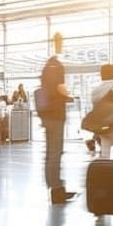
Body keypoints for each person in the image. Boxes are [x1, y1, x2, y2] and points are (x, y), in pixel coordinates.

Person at [39, 33, 76, 204]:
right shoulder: (57, 66)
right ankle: (56, 190)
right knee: (56, 151)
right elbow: (61, 87)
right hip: (56, 115)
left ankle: (53, 186)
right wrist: (69, 96)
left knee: (50, 152)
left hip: (47, 115)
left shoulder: (46, 67)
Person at [89, 64, 113, 159]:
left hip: (103, 125)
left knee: (105, 151)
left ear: (101, 74)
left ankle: (105, 165)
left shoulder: (95, 91)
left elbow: (95, 108)